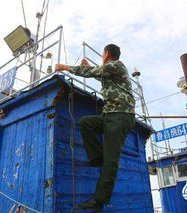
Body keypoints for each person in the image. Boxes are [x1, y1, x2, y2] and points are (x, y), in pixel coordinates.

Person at [55, 44, 136, 211]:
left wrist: (65, 67)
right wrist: (88, 68)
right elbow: (99, 75)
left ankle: (99, 200)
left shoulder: (117, 65)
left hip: (120, 116)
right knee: (86, 123)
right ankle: (97, 158)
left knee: (111, 161)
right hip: (110, 116)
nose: (102, 56)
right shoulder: (111, 71)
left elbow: (95, 72)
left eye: (102, 53)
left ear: (106, 54)